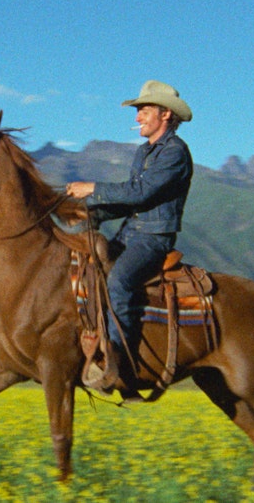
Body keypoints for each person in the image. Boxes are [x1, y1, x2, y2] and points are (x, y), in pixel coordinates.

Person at [66, 80, 193, 388]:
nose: (137, 118)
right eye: (138, 112)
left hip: (153, 239)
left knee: (119, 281)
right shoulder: (143, 153)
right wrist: (90, 216)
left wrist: (93, 189)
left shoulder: (174, 152)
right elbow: (131, 202)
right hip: (130, 233)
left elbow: (139, 192)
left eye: (144, 111)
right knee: (85, 269)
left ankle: (115, 360)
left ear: (165, 115)